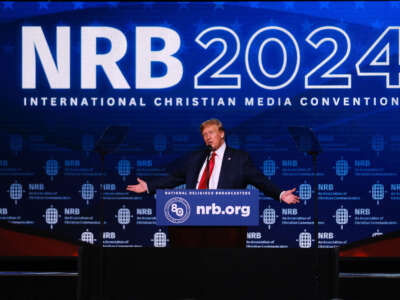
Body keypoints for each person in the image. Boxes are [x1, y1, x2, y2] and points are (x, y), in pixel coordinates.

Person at [127, 118, 300, 248]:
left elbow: (260, 181)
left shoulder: (240, 159)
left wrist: (280, 194)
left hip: (225, 225)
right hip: (192, 223)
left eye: (211, 133)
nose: (207, 137)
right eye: (204, 135)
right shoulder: (195, 158)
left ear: (222, 133)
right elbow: (174, 178)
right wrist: (149, 186)